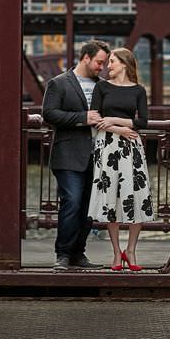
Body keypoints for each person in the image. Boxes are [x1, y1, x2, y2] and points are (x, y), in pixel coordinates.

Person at [41, 39, 111, 271]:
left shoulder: (102, 85)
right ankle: (62, 254)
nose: (102, 67)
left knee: (88, 208)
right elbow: (49, 114)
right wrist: (82, 118)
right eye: (99, 62)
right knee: (71, 202)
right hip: (68, 154)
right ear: (86, 58)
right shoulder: (59, 83)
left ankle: (78, 254)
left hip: (98, 156)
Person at [88, 47, 153, 271]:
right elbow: (95, 118)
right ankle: (117, 253)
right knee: (111, 199)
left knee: (136, 196)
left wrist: (115, 122)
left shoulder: (138, 90)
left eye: (113, 62)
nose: (108, 66)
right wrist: (121, 129)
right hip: (107, 147)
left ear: (125, 64)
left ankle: (131, 251)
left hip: (131, 147)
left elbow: (143, 121)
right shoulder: (101, 87)